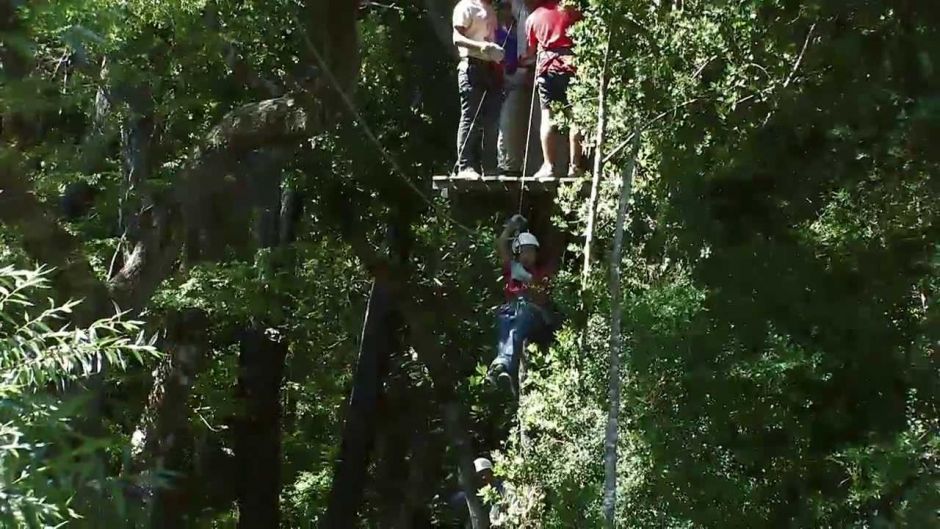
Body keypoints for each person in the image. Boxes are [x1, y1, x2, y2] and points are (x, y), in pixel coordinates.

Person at [487, 214, 557, 397]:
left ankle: (500, 364)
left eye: (531, 251)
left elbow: (542, 299)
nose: (527, 255)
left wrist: (530, 281)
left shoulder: (542, 273)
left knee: (516, 329)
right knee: (506, 325)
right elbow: (501, 245)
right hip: (512, 311)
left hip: (534, 315)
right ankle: (503, 371)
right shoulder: (512, 268)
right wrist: (510, 227)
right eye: (524, 251)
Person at [523, 0, 583, 179]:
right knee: (576, 117)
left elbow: (531, 51)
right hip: (572, 67)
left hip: (547, 69)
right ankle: (575, 167)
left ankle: (548, 166)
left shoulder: (533, 18)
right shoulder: (571, 11)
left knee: (547, 117)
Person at [453, 0, 505, 179]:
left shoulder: (491, 9)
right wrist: (482, 47)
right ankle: (465, 166)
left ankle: (489, 167)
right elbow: (457, 38)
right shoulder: (466, 6)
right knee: (471, 117)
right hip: (471, 67)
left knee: (492, 120)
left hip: (490, 69)